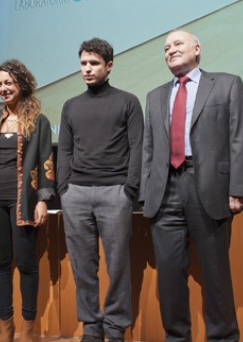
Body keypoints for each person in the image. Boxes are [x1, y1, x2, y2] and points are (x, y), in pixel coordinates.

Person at [140, 30, 243, 342]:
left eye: (177, 44)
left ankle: (223, 337)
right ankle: (176, 338)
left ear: (197, 48)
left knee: (215, 274)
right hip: (164, 191)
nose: (170, 50)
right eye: (166, 48)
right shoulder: (154, 96)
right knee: (169, 276)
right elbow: (148, 149)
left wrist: (239, 187)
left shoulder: (227, 84)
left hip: (208, 188)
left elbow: (240, 138)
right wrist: (145, 192)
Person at [57, 37, 143, 342]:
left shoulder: (128, 101)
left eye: (94, 63)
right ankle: (91, 326)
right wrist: (64, 190)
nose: (87, 69)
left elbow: (137, 147)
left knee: (118, 264)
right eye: (83, 63)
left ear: (109, 66)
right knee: (83, 266)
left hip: (114, 193)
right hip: (76, 194)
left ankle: (116, 326)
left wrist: (128, 190)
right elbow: (64, 150)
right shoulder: (71, 106)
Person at [0, 59, 55, 342]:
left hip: (24, 201)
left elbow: (46, 161)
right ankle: (6, 329)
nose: (3, 88)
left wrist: (43, 199)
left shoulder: (39, 122)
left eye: (8, 83)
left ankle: (27, 331)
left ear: (21, 84)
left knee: (27, 263)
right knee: (0, 263)